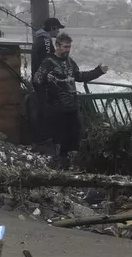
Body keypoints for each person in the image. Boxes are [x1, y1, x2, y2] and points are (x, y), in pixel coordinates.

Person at [33, 32, 109, 169]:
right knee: (59, 137)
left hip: (72, 106)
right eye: (65, 47)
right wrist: (47, 81)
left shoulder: (70, 61)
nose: (67, 50)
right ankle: (57, 163)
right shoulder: (48, 62)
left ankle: (71, 163)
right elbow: (36, 80)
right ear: (57, 46)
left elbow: (79, 76)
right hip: (56, 107)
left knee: (75, 135)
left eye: (69, 47)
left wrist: (99, 71)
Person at [30, 18, 65, 149]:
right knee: (45, 110)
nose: (58, 31)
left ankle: (39, 139)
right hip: (43, 82)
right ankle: (43, 140)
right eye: (57, 28)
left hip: (38, 80)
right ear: (52, 28)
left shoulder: (38, 39)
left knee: (42, 109)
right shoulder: (45, 41)